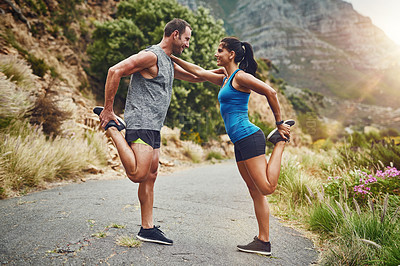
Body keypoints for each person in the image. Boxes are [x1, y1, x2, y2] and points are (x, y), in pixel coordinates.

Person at [93, 18, 223, 245]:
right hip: (141, 122)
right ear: (174, 35)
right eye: (186, 39)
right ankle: (112, 128)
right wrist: (108, 110)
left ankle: (147, 228)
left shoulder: (168, 62)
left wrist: (225, 73)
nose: (187, 44)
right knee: (137, 174)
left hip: (154, 126)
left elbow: (195, 77)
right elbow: (115, 71)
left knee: (150, 176)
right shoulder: (151, 56)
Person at [171, 36, 295, 256]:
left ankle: (279, 142)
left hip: (249, 136)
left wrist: (278, 123)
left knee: (266, 188)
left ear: (232, 54)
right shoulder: (226, 77)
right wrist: (170, 58)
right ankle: (263, 242)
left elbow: (271, 92)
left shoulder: (240, 77)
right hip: (240, 141)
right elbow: (198, 72)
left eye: (220, 50)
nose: (216, 54)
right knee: (254, 190)